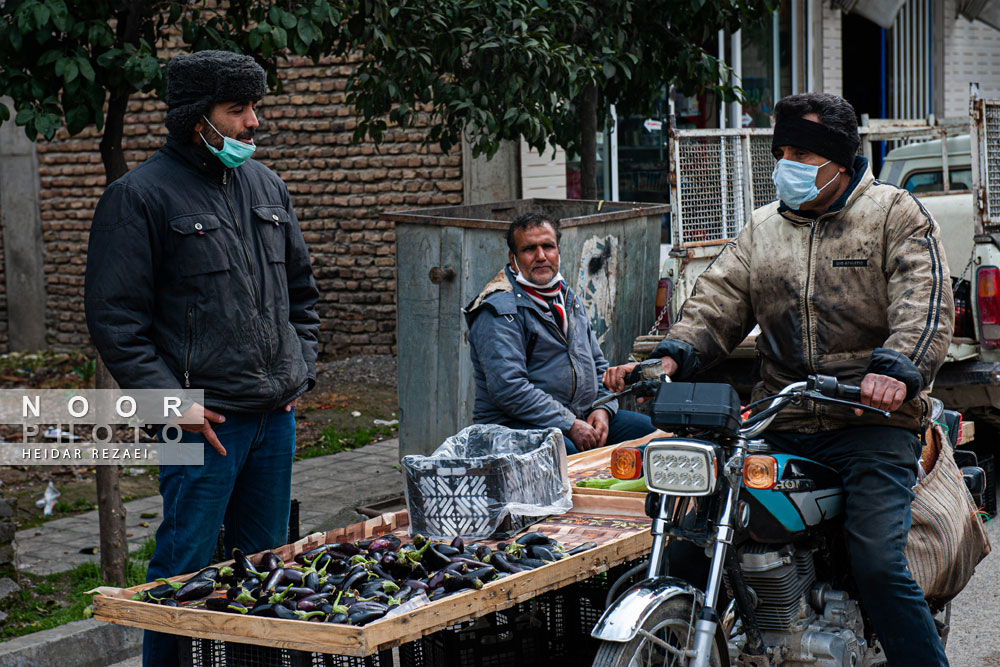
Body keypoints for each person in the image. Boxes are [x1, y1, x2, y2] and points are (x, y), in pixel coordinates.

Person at [605, 92, 953, 666]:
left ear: (838, 158)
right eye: (782, 150)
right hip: (781, 418)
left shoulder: (895, 215)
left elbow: (925, 303)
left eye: (801, 152)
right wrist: (667, 360)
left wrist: (897, 370)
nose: (786, 163)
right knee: (694, 541)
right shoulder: (763, 230)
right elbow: (714, 306)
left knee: (877, 563)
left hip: (870, 422)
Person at [84, 50, 320, 667]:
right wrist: (172, 405)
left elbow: (303, 295)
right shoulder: (137, 197)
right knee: (183, 571)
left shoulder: (266, 185)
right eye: (237, 109)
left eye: (255, 107)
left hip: (273, 418)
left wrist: (300, 369)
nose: (253, 123)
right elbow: (116, 321)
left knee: (266, 566)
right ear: (198, 119)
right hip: (200, 425)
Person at [465, 212, 655, 454]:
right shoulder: (499, 310)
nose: (541, 256)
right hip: (513, 428)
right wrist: (569, 423)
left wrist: (602, 410)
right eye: (529, 249)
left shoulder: (565, 296)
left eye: (548, 246)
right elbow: (509, 389)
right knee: (564, 454)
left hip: (577, 417)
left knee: (652, 434)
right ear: (513, 260)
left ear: (558, 252)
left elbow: (596, 364)